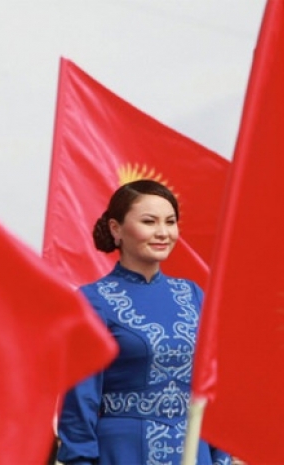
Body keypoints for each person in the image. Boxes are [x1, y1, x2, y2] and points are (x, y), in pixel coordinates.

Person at [56, 179, 230, 465]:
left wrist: (221, 456)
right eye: (149, 222)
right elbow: (80, 397)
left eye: (170, 222)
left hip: (194, 450)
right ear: (116, 229)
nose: (163, 232)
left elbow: (213, 385)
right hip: (123, 451)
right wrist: (79, 460)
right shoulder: (93, 300)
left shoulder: (192, 295)